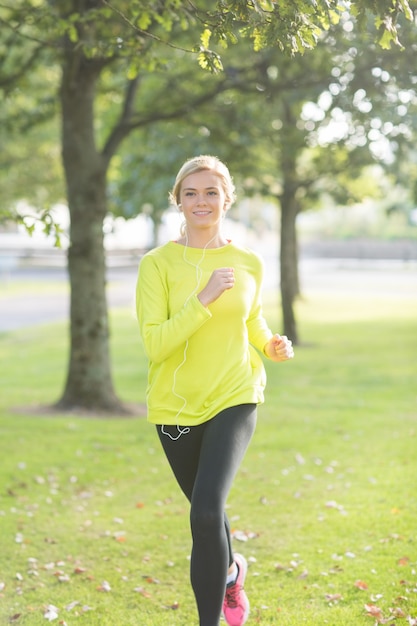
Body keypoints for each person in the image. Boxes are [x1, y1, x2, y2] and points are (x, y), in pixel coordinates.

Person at [136, 155, 294, 626]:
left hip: (235, 394)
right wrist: (202, 300)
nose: (201, 201)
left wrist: (270, 344)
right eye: (191, 193)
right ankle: (230, 571)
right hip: (175, 406)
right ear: (178, 201)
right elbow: (155, 344)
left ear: (227, 198)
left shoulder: (247, 262)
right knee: (209, 514)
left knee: (205, 513)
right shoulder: (157, 265)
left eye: (210, 192)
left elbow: (252, 319)